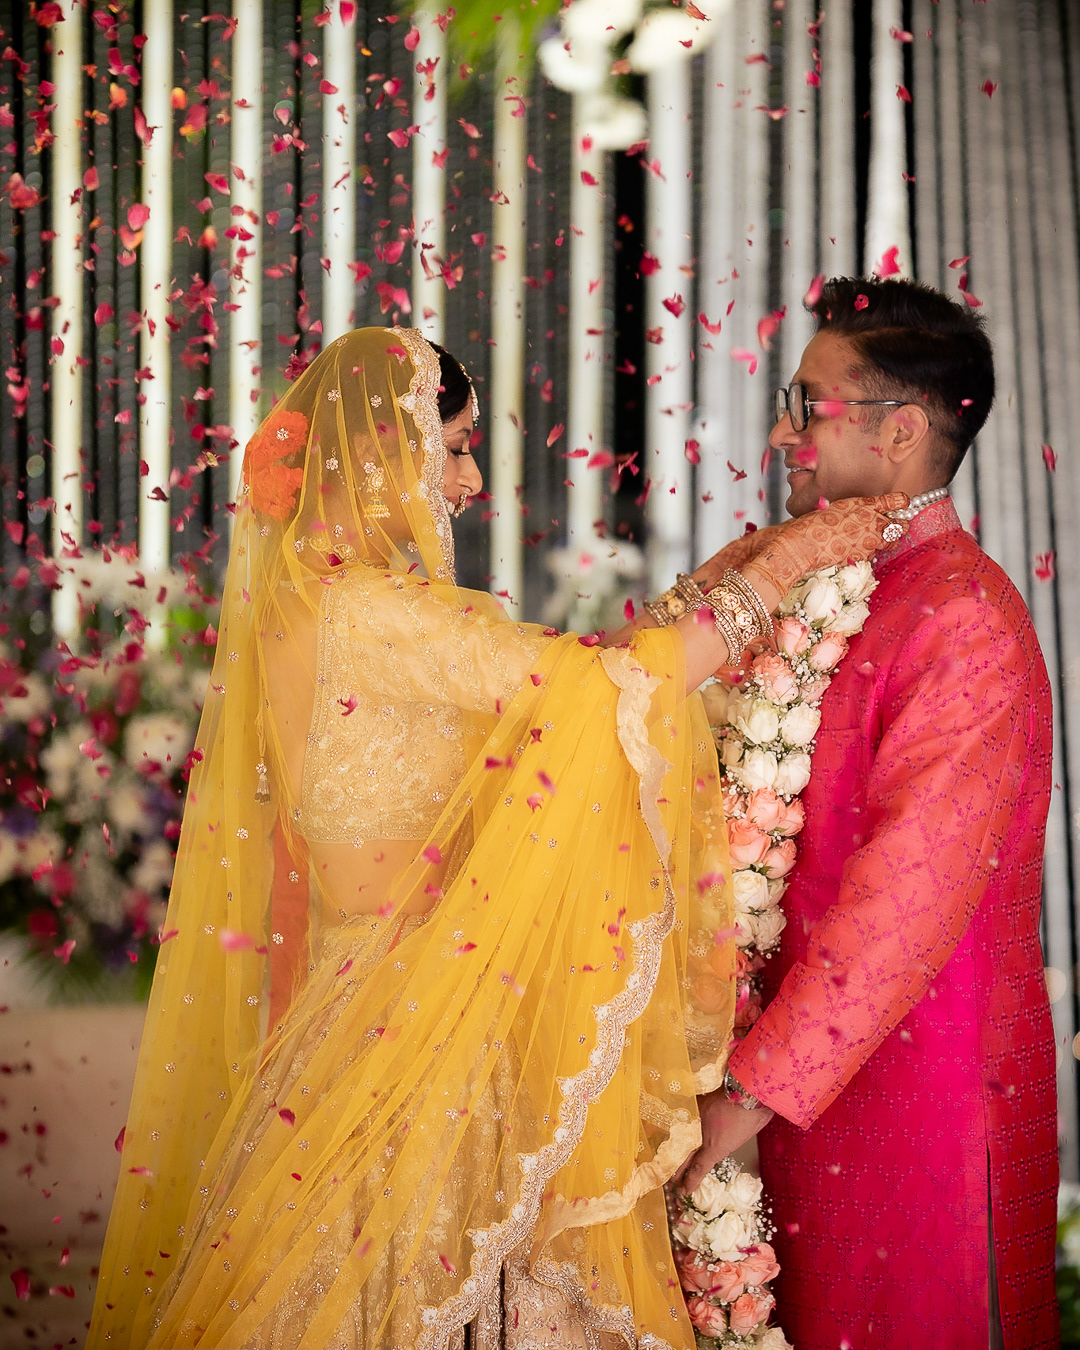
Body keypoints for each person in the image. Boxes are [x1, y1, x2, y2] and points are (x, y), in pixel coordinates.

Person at [86, 326, 901, 1350]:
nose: (470, 481)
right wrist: (782, 567)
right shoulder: (373, 614)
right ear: (381, 453)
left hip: (355, 1021)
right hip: (421, 1036)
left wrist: (720, 579)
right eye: (458, 447)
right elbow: (607, 691)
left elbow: (575, 678)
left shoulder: (315, 606)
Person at [678, 277, 1058, 1349]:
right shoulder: (814, 577)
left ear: (899, 431)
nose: (783, 435)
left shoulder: (963, 618)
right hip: (779, 1087)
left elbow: (905, 902)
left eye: (808, 407)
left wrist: (745, 1096)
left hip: (912, 1102)